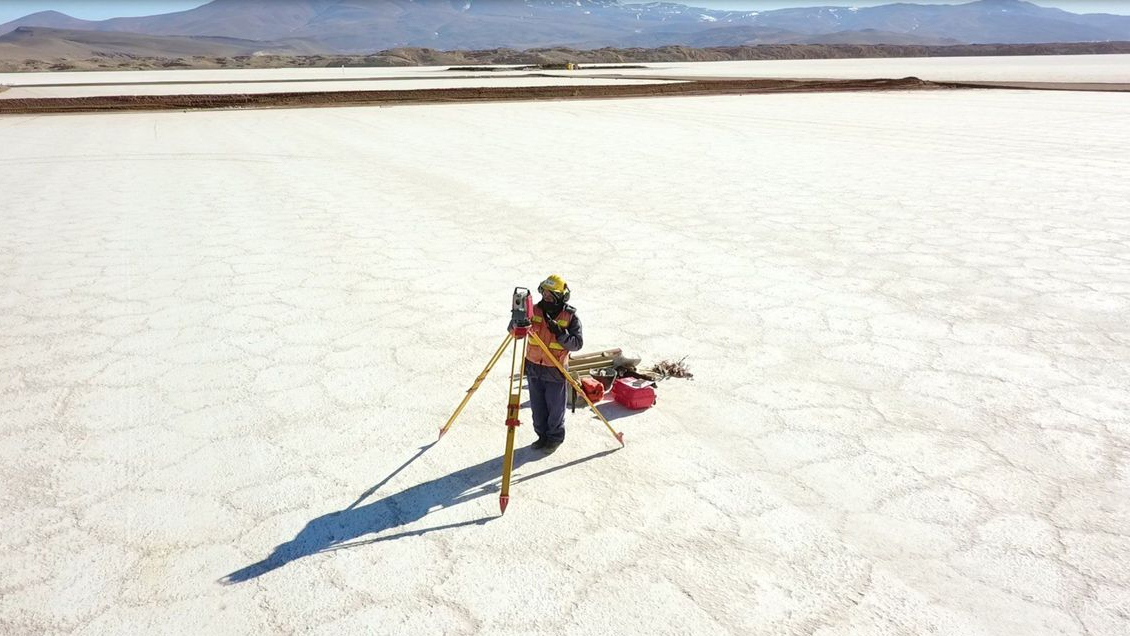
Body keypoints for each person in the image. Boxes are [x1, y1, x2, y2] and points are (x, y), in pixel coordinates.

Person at [524, 274, 583, 453]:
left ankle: (554, 438)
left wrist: (560, 334)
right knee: (537, 407)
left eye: (551, 294)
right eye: (545, 293)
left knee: (555, 408)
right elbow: (515, 332)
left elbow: (577, 344)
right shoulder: (533, 310)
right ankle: (541, 436)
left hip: (555, 369)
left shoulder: (570, 316)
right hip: (534, 366)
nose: (547, 297)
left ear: (561, 296)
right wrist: (517, 323)